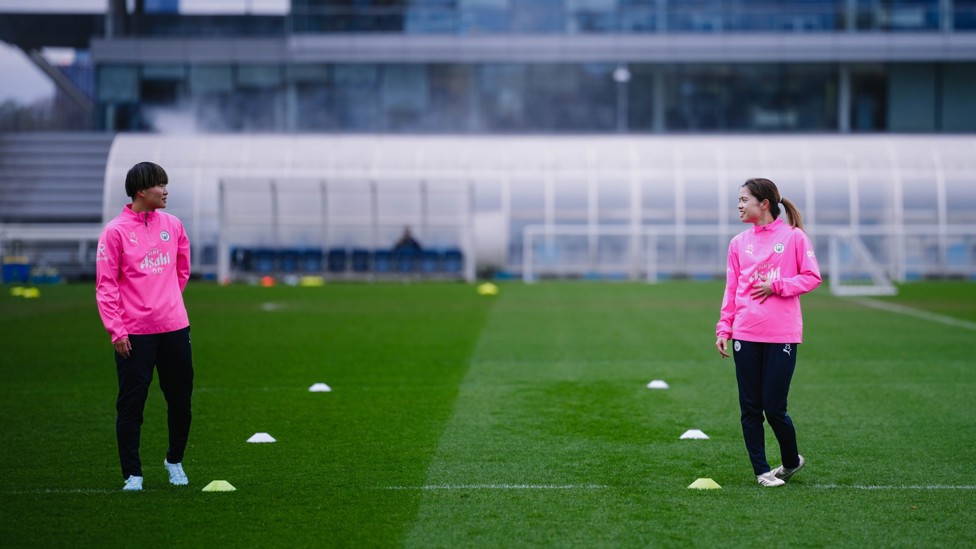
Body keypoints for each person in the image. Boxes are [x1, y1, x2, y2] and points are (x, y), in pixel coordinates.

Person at [715, 178, 821, 488]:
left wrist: (777, 286)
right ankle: (761, 471)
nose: (739, 205)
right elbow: (731, 290)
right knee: (750, 408)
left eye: (744, 199)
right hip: (745, 334)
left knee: (774, 408)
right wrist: (725, 328)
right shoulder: (738, 243)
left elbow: (812, 277)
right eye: (738, 199)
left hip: (782, 336)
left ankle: (790, 462)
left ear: (764, 204)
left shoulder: (794, 238)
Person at [96, 162, 194, 492]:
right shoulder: (115, 232)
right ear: (141, 191)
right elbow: (105, 285)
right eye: (160, 185)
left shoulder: (174, 225)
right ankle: (133, 475)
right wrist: (117, 330)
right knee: (131, 404)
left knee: (181, 400)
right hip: (134, 334)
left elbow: (182, 270)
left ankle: (174, 461)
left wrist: (165, 302)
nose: (166, 191)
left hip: (175, 328)